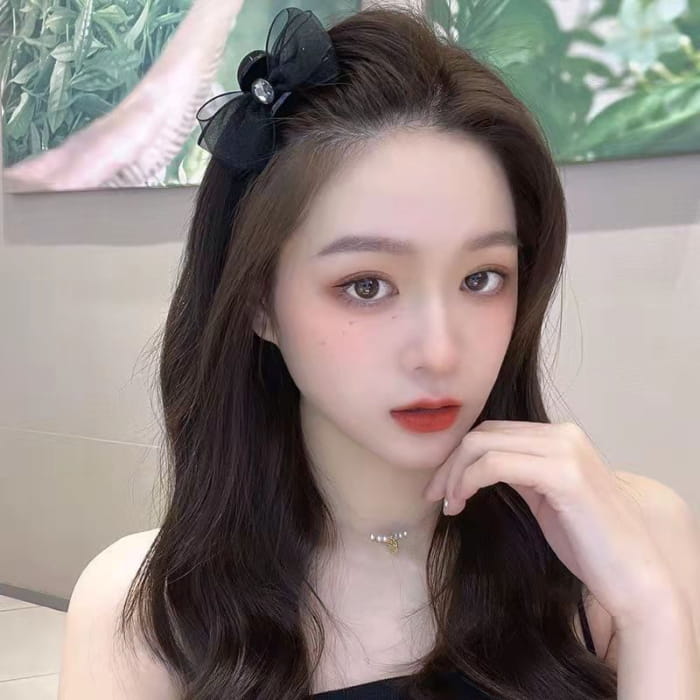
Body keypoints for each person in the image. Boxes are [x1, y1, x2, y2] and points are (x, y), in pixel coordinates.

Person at [57, 5, 700, 700]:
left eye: (482, 279)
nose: (439, 351)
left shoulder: (633, 539)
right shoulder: (148, 610)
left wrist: (651, 614)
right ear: (258, 302)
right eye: (366, 286)